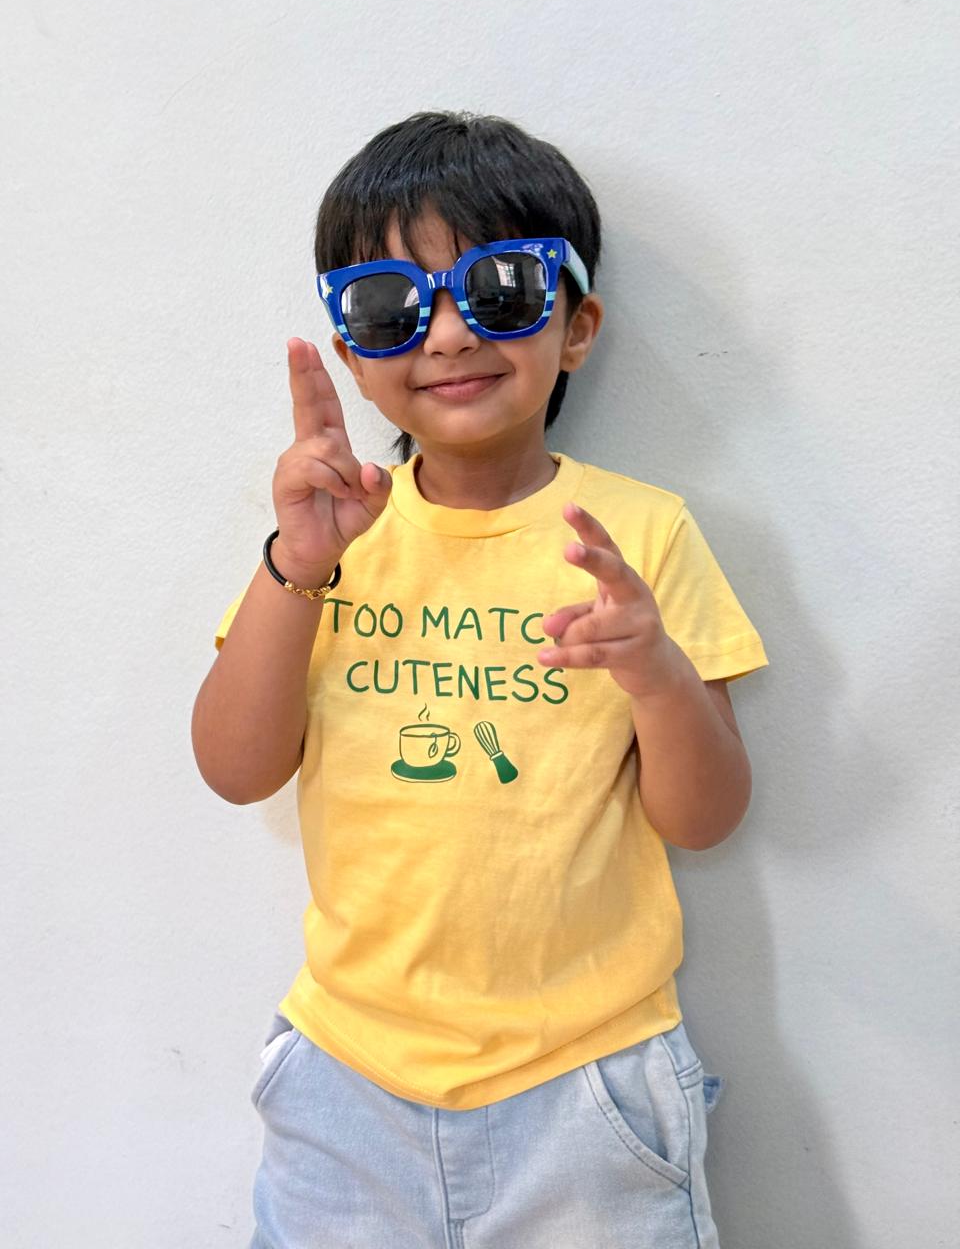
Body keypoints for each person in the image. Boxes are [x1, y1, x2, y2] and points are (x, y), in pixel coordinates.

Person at [191, 110, 769, 1249]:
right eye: (389, 303)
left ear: (578, 325)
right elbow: (235, 767)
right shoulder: (328, 539)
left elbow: (704, 818)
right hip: (347, 1075)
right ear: (352, 356)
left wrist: (656, 671)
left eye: (502, 288)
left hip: (588, 1079)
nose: (449, 333)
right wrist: (295, 566)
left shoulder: (643, 532)